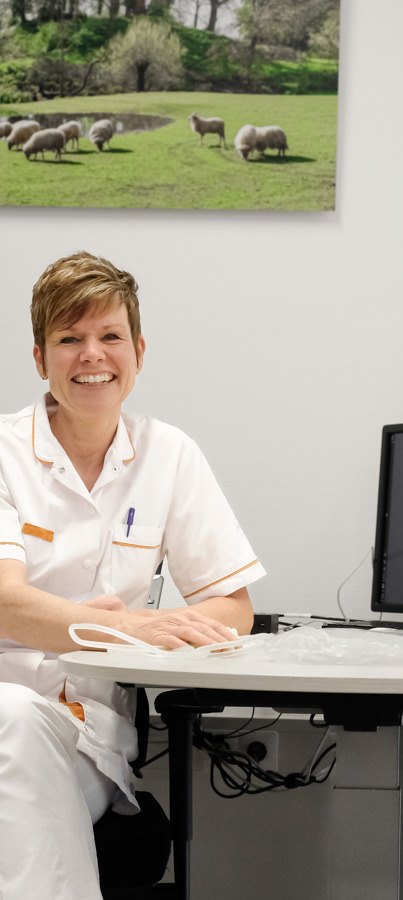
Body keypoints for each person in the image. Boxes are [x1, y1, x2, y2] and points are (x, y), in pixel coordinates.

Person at [0, 252, 266, 899]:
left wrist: (156, 626)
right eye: (69, 338)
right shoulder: (3, 452)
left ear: (138, 352)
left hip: (86, 732)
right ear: (40, 358)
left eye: (109, 336)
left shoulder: (168, 455)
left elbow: (234, 606)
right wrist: (122, 628)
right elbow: (5, 604)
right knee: (9, 711)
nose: (92, 355)